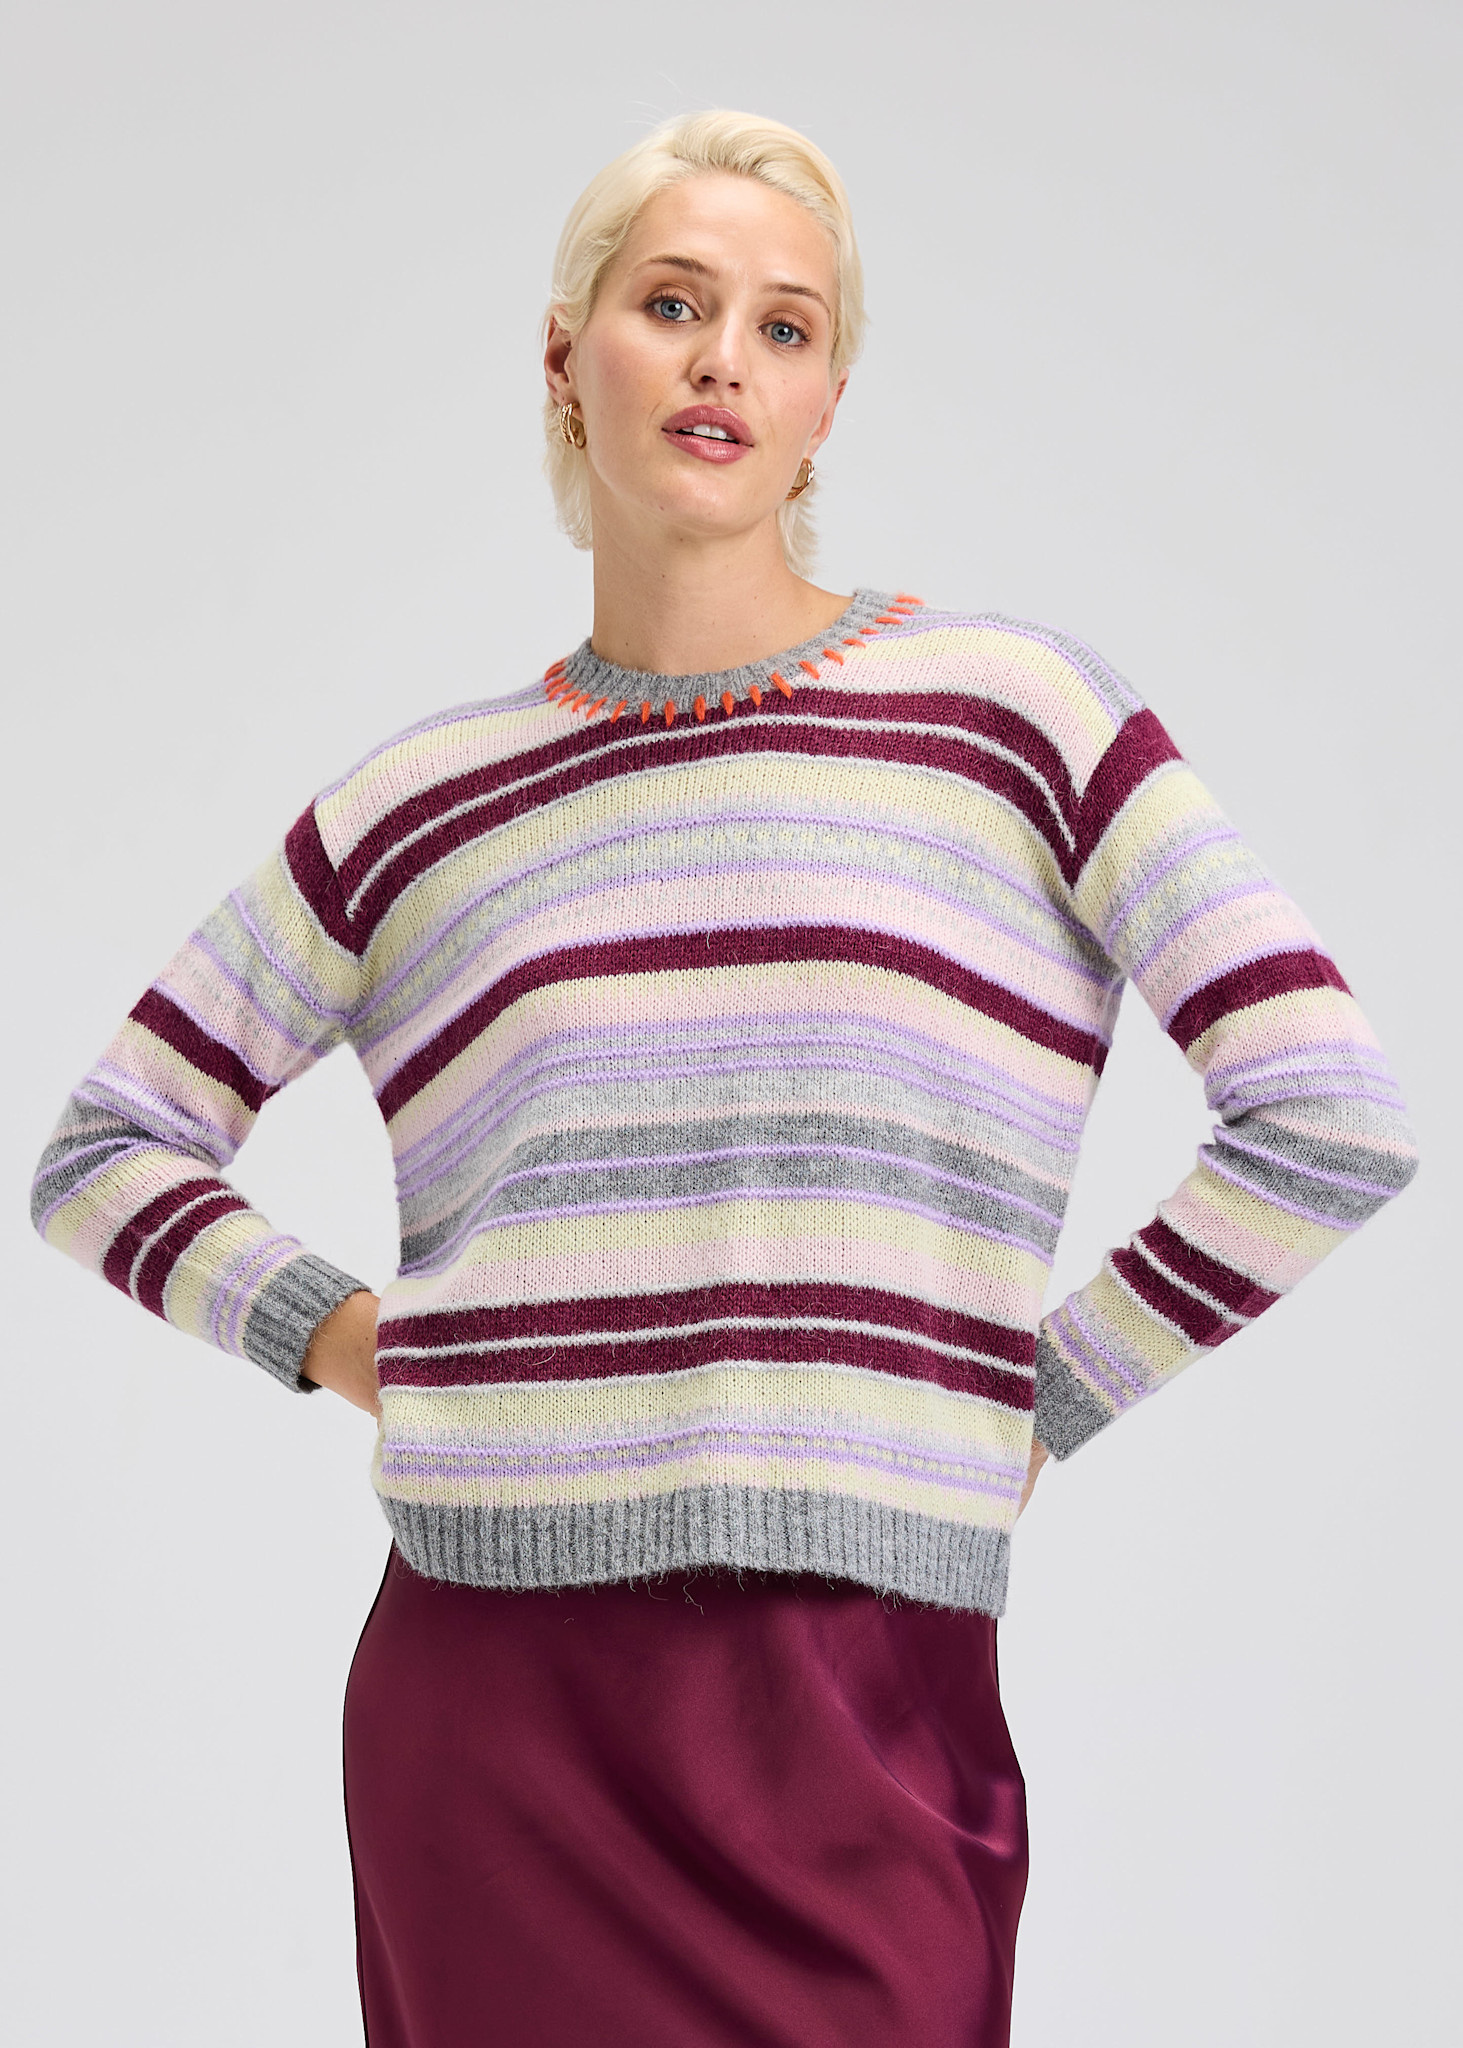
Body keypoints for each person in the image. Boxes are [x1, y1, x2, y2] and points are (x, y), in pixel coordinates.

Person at [30, 109, 1418, 2048]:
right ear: (563, 354)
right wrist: (366, 1345)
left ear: (829, 400)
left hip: (859, 1700)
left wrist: (1043, 1393)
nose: (722, 362)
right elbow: (105, 1145)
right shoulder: (417, 808)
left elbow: (1327, 1109)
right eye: (672, 303)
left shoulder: (1014, 719)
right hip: (491, 1705)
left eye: (784, 326)